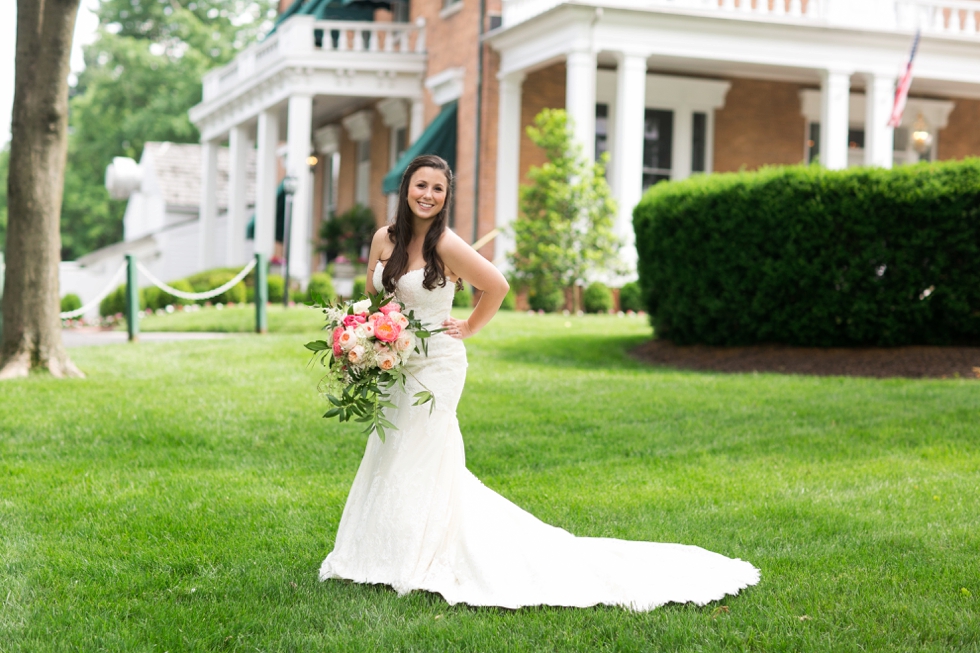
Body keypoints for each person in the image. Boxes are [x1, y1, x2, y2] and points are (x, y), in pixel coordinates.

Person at [319, 154, 760, 610]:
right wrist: (363, 335)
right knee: (390, 447)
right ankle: (377, 548)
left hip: (437, 366)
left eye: (438, 189)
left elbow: (498, 285)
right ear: (405, 187)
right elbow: (374, 301)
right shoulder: (383, 238)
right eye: (421, 185)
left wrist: (468, 327)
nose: (427, 195)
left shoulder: (446, 245)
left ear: (446, 198)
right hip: (395, 362)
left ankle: (414, 556)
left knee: (420, 450)